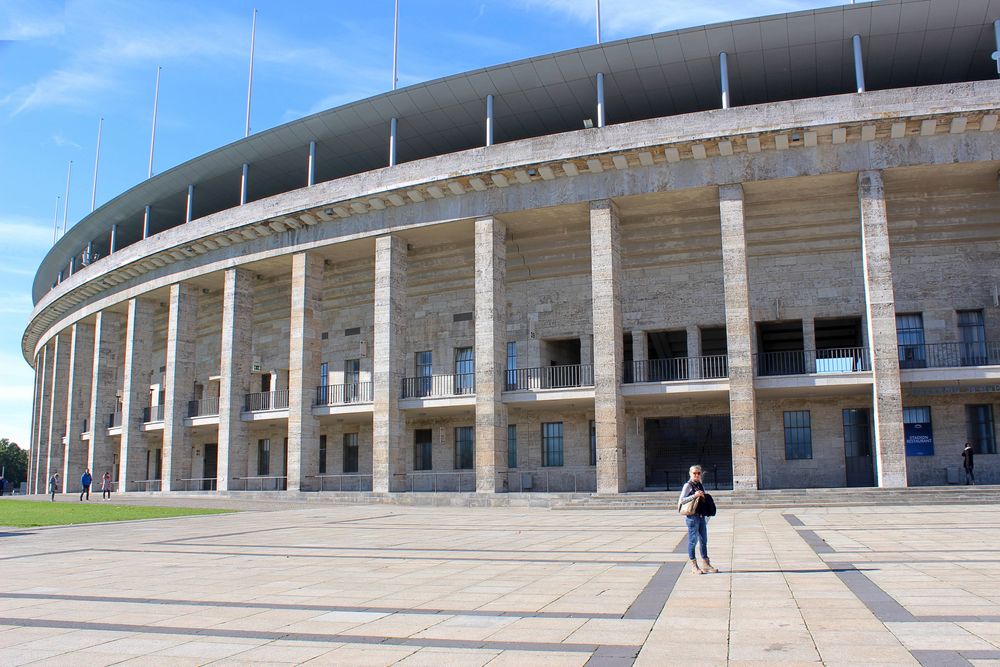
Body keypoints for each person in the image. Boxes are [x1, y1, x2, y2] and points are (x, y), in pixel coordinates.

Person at [678, 465, 718, 575]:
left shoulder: (700, 485)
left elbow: (704, 498)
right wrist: (694, 495)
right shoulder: (688, 485)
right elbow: (681, 500)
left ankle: (706, 563)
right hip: (692, 517)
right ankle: (694, 565)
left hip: (701, 516)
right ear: (690, 474)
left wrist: (703, 496)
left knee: (703, 540)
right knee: (692, 541)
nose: (696, 475)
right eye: (694, 473)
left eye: (698, 473)